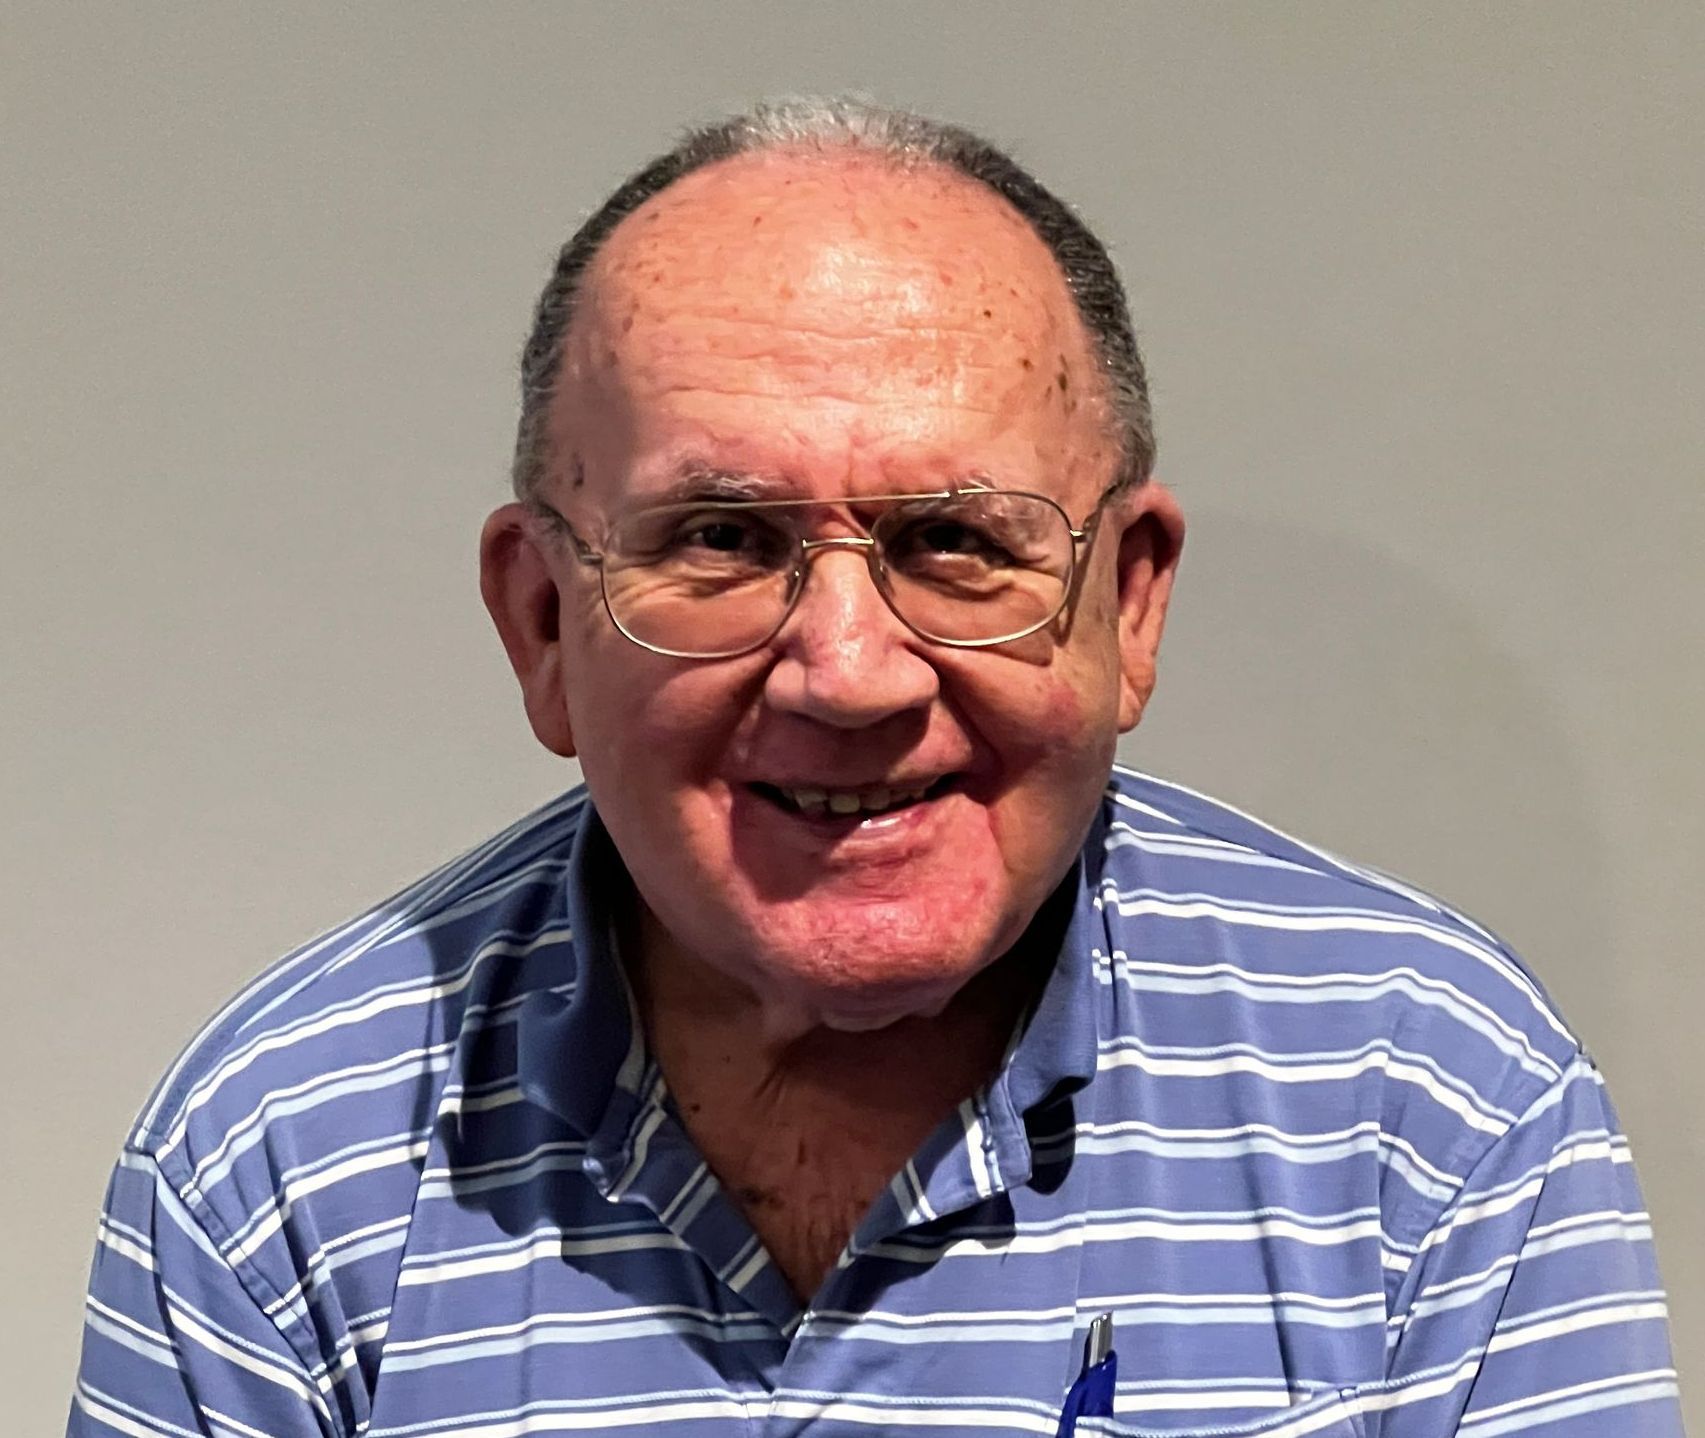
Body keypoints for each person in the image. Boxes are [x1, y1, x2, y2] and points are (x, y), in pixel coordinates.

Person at [68, 98, 1681, 1438]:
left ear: (1124, 606)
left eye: (957, 541)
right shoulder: (276, 1159)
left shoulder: (1427, 1099)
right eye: (718, 539)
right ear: (542, 622)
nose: (846, 670)